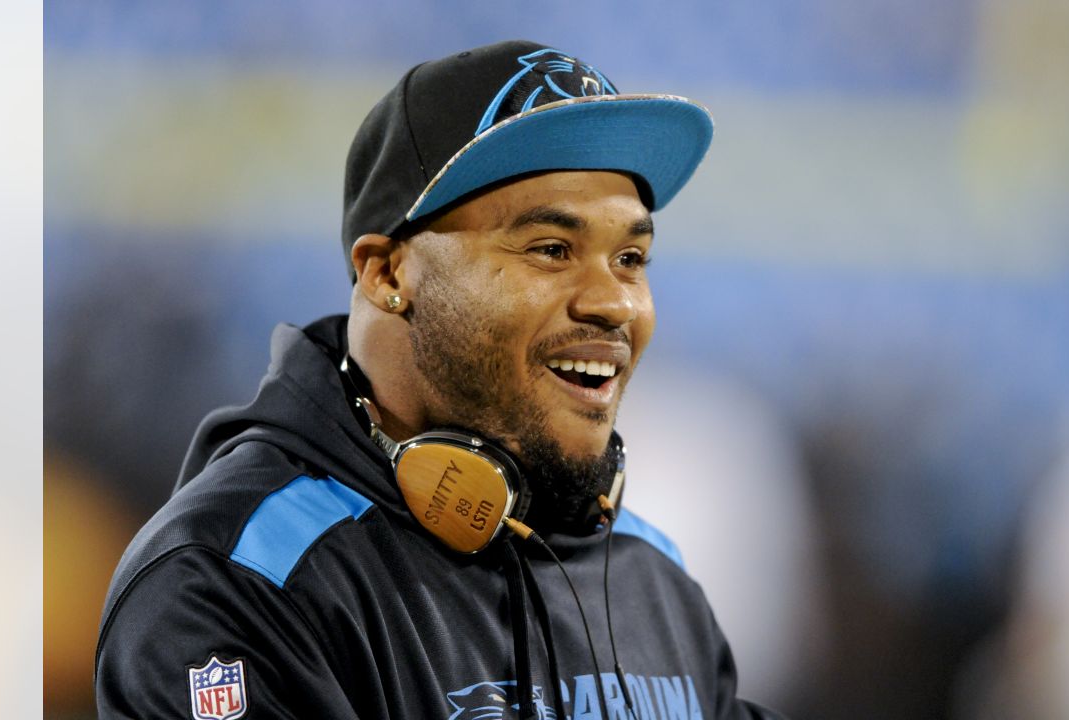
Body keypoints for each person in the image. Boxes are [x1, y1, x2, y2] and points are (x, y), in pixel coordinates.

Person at [95, 39, 784, 720]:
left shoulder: (650, 576)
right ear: (388, 274)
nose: (614, 303)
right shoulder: (236, 582)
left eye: (631, 257)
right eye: (551, 249)